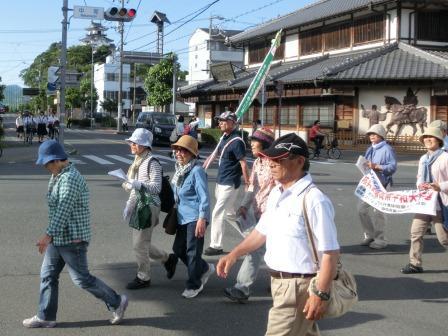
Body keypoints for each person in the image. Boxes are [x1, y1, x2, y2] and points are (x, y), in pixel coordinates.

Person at [217, 133, 340, 336]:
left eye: (279, 159)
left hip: (299, 286)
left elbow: (330, 253)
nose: (271, 164)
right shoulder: (277, 192)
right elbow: (261, 232)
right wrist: (234, 254)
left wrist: (320, 293)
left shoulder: (314, 199)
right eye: (270, 158)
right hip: (279, 283)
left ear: (300, 161)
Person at [23, 140, 128, 328]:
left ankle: (117, 302)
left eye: (46, 164)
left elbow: (64, 208)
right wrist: (52, 236)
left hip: (73, 238)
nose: (46, 168)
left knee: (82, 279)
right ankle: (45, 316)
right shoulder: (59, 175)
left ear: (55, 160)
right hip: (59, 237)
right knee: (47, 275)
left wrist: (47, 236)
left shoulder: (69, 178)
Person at [224, 127, 275, 303]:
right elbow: (252, 187)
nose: (251, 144)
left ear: (265, 144)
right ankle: (278, 281)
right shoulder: (258, 163)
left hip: (273, 214)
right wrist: (244, 206)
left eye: (255, 141)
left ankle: (242, 287)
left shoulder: (275, 163)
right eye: (251, 140)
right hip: (258, 212)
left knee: (256, 248)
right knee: (272, 249)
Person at [122, 128, 178, 289]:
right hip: (140, 204)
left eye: (135, 142)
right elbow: (134, 188)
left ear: (144, 145)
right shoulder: (138, 161)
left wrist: (137, 184)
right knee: (142, 242)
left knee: (139, 244)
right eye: (131, 142)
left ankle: (143, 277)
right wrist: (129, 205)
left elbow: (156, 188)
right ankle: (168, 259)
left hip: (149, 206)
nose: (131, 144)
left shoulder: (152, 162)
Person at [170, 135, 215, 298]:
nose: (178, 153)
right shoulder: (180, 170)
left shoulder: (197, 170)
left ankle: (194, 284)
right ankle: (203, 268)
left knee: (192, 252)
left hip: (195, 218)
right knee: (178, 249)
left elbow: (204, 197)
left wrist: (202, 219)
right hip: (182, 217)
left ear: (192, 153)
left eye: (183, 150)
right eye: (177, 150)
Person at [401, 127, 448, 274]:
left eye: (431, 137)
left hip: (441, 203)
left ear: (439, 140)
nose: (427, 139)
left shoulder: (445, 158)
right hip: (425, 202)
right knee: (416, 232)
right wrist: (420, 185)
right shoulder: (423, 158)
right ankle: (415, 263)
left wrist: (439, 186)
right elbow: (419, 177)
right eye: (425, 137)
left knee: (444, 239)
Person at [204, 111, 250, 256]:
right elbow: (215, 154)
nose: (220, 123)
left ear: (233, 123)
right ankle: (251, 236)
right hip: (221, 181)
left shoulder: (237, 141)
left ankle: (216, 245)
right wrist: (202, 168)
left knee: (217, 212)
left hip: (230, 183)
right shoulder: (224, 137)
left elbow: (243, 163)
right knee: (230, 214)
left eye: (224, 120)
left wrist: (248, 182)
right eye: (220, 120)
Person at [358, 124, 397, 249]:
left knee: (379, 213)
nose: (371, 136)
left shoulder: (387, 149)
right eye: (370, 134)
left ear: (381, 135)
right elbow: (368, 163)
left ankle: (381, 240)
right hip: (370, 182)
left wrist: (377, 166)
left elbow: (392, 167)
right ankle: (369, 235)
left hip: (383, 184)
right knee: (361, 209)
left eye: (374, 134)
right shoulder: (371, 148)